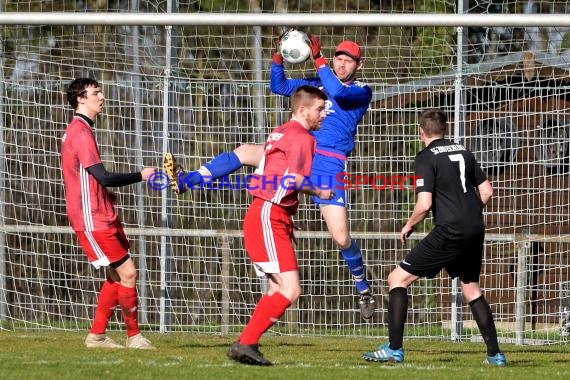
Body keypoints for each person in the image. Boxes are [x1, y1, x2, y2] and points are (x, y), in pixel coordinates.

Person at [164, 32, 376, 319]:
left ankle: (363, 287)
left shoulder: (361, 90)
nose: (341, 64)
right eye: (338, 57)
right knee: (245, 151)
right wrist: (279, 54)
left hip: (328, 165)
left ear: (358, 66)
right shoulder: (317, 83)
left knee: (340, 238)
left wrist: (318, 58)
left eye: (348, 60)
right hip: (297, 149)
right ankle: (186, 180)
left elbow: (337, 93)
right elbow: (278, 86)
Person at [361, 109, 507, 366]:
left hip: (450, 230)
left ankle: (394, 348)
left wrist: (409, 225)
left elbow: (424, 204)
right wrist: (468, 213)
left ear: (422, 132)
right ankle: (496, 355)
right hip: (475, 227)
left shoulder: (425, 157)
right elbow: (487, 191)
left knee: (397, 279)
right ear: (446, 129)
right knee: (471, 288)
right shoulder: (464, 151)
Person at [227, 85, 334, 366]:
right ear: (303, 110)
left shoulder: (282, 130)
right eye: (320, 109)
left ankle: (247, 344)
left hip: (271, 214)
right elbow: (293, 181)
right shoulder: (303, 137)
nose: (324, 114)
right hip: (269, 215)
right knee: (290, 289)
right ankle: (246, 343)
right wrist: (321, 192)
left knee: (278, 289)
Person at [61, 78, 157, 349]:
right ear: (80, 99)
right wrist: (142, 174)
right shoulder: (80, 131)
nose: (101, 97)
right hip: (91, 217)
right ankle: (134, 337)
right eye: (95, 93)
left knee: (116, 276)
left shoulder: (81, 130)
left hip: (99, 211)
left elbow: (89, 178)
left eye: (100, 91)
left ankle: (97, 335)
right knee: (128, 273)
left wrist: (103, 195)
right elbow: (102, 176)